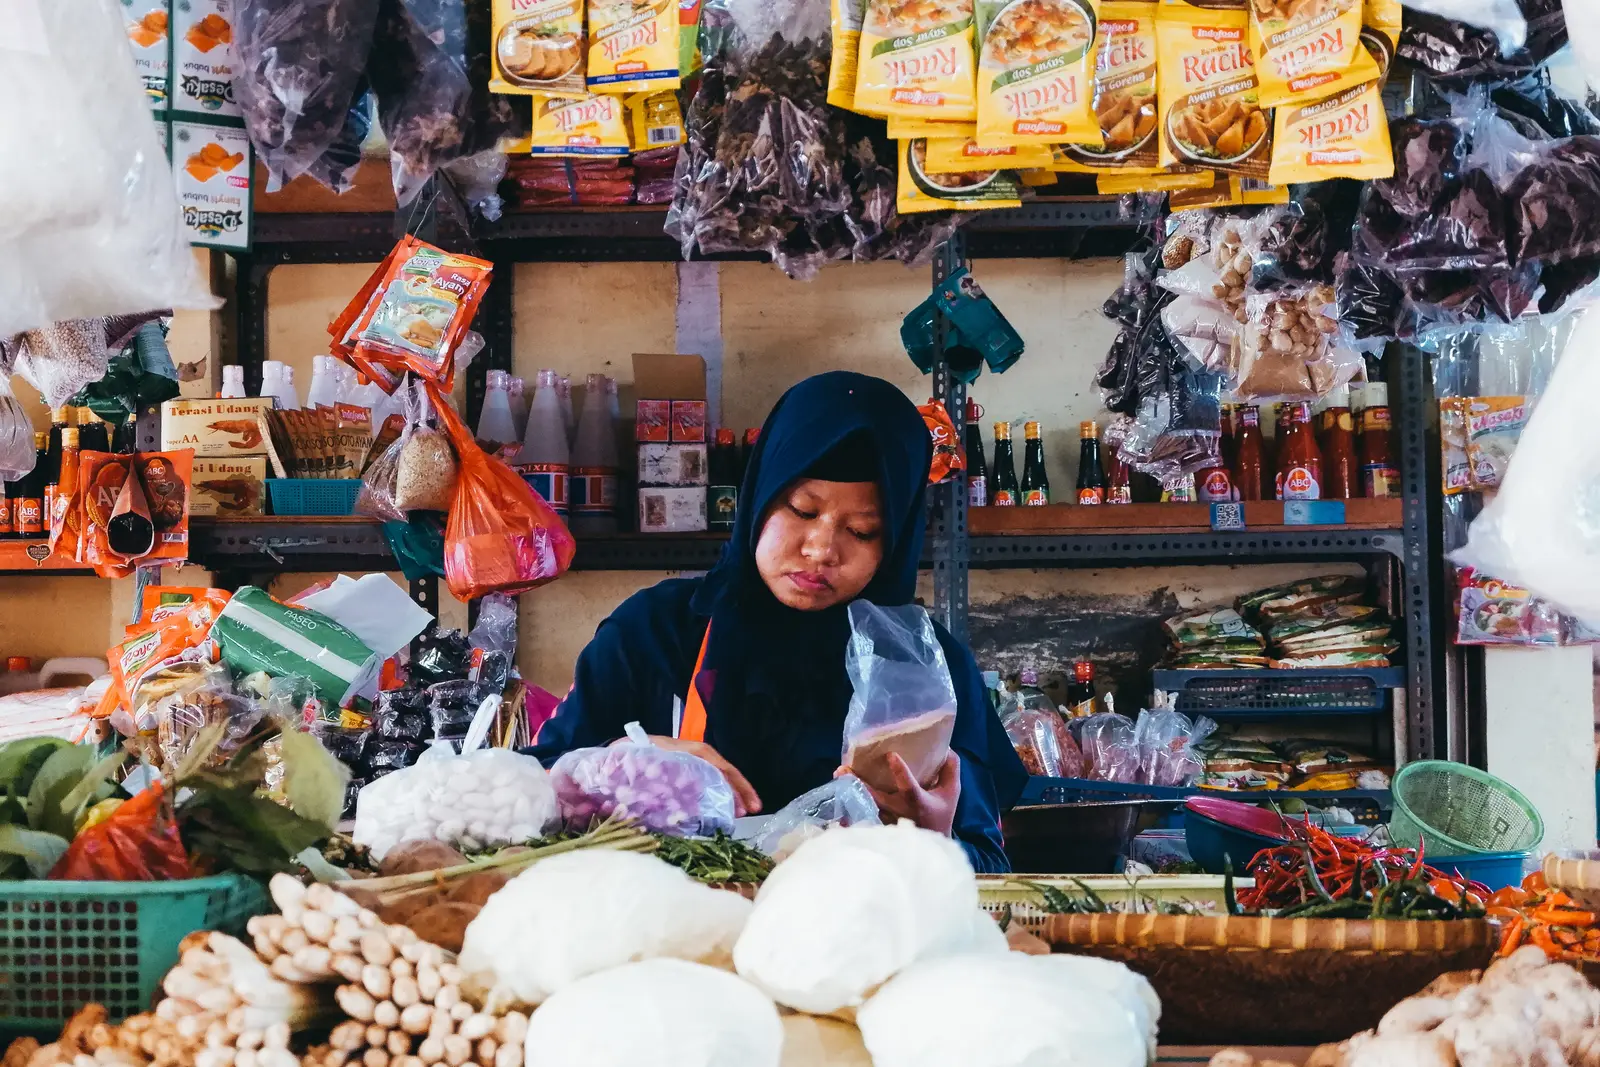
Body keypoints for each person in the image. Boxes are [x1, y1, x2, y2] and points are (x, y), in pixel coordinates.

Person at [532, 372, 1027, 871]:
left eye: (862, 530)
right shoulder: (655, 631)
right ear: (759, 496)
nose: (821, 550)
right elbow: (534, 790)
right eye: (801, 510)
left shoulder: (926, 676)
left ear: (896, 543)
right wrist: (624, 758)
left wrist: (935, 839)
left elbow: (988, 863)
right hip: (672, 933)